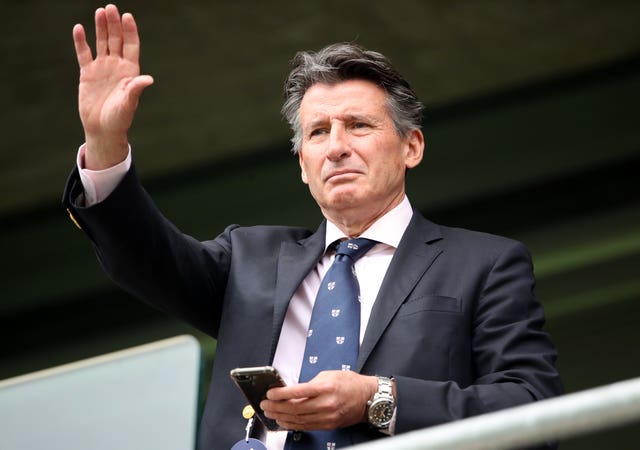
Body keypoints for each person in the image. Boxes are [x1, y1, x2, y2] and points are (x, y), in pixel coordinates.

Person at [63, 4, 563, 450]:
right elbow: (145, 256)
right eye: (319, 133)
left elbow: (532, 407)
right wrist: (105, 143)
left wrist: (377, 398)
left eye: (359, 125)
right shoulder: (248, 259)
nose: (337, 146)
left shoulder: (484, 263)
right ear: (303, 164)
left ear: (412, 147)